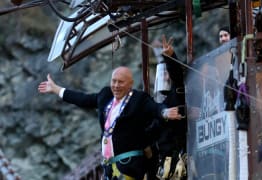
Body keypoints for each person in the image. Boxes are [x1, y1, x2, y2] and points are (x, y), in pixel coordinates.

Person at [38, 66, 182, 180]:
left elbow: (155, 108)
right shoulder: (105, 95)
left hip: (129, 164)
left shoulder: (139, 99)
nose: (116, 85)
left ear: (130, 84)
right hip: (109, 167)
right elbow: (82, 99)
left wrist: (165, 113)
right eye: (114, 81)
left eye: (121, 82)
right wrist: (56, 89)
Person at [146, 35, 187, 180]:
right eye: (161, 75)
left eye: (166, 74)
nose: (164, 77)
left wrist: (170, 57)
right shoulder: (154, 104)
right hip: (164, 161)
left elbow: (176, 75)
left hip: (180, 155)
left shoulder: (177, 92)